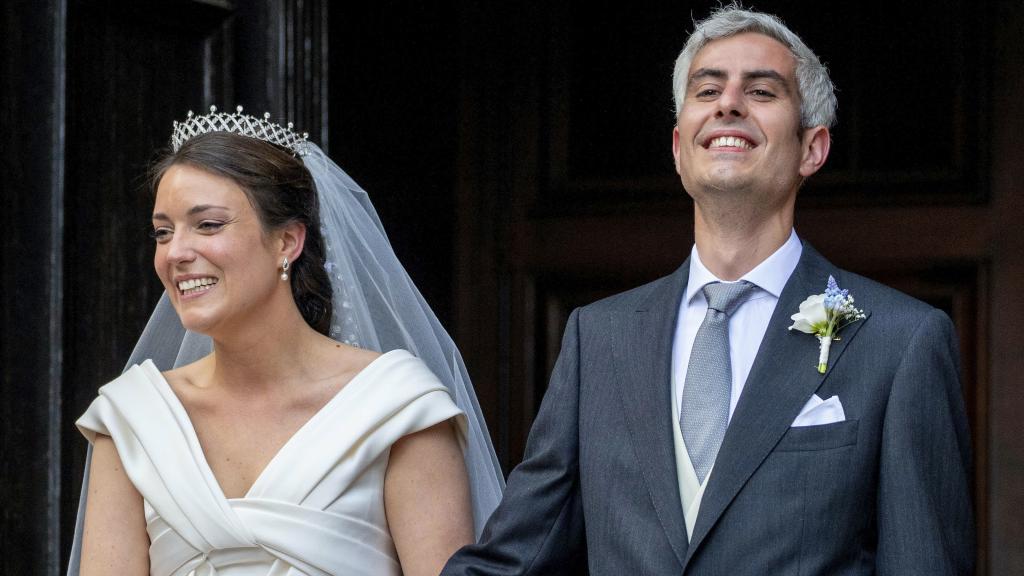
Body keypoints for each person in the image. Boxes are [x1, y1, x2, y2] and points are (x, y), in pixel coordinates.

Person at [442, 5, 974, 575]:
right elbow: (517, 557)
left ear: (812, 149)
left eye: (762, 91)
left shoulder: (902, 340)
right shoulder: (598, 339)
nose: (728, 104)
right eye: (708, 90)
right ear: (679, 147)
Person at [68, 106, 504, 575]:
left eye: (208, 224)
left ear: (288, 242)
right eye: (162, 232)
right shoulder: (133, 419)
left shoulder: (398, 409)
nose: (175, 253)